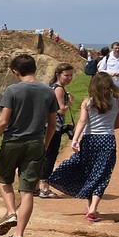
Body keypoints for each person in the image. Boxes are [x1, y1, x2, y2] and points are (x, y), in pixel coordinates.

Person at [0, 53, 59, 237]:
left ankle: (11, 212)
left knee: (4, 180)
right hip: (35, 143)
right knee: (27, 192)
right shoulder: (48, 91)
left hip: (12, 142)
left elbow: (3, 121)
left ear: (15, 71)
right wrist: (44, 144)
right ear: (35, 68)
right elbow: (52, 125)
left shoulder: (12, 90)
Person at [45, 70, 119, 221]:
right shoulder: (118, 103)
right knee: (102, 174)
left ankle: (51, 179)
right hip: (107, 140)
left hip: (89, 140)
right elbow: (117, 125)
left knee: (87, 171)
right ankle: (93, 208)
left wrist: (75, 139)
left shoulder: (88, 102)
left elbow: (82, 122)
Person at [37, 62, 76, 197]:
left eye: (71, 75)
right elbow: (60, 110)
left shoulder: (51, 87)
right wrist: (69, 102)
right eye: (67, 75)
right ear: (58, 75)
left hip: (45, 125)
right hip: (54, 126)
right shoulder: (59, 89)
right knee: (50, 157)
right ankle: (45, 188)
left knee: (42, 155)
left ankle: (36, 186)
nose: (69, 78)